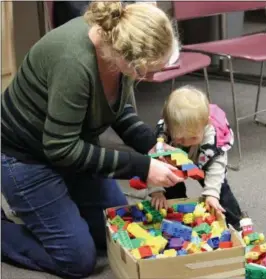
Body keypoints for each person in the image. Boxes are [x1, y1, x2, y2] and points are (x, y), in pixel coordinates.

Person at [1, 2, 183, 278]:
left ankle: (51, 209)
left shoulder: (118, 47)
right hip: (25, 157)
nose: (148, 77)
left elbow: (115, 107)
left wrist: (151, 145)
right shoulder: (74, 63)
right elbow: (61, 149)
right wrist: (142, 166)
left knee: (117, 232)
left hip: (71, 146)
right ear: (126, 57)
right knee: (77, 260)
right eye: (145, 71)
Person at [149, 86, 243, 229]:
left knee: (221, 191)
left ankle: (236, 223)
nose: (186, 142)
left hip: (204, 160)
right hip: (173, 161)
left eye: (192, 137)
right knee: (170, 185)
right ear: (169, 127)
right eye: (180, 139)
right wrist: (156, 191)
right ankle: (176, 218)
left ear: (206, 124)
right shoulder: (163, 137)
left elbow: (216, 169)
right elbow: (153, 163)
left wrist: (211, 194)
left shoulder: (212, 141)